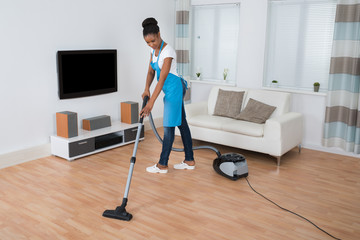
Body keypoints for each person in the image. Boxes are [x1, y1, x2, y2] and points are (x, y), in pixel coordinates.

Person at [140, 17, 195, 174]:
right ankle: (189, 160)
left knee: (168, 127)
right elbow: (151, 71)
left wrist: (150, 103)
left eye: (153, 41)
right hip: (168, 89)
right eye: (148, 43)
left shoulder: (168, 52)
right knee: (182, 124)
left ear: (159, 34)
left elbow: (162, 78)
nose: (151, 44)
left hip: (175, 89)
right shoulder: (153, 50)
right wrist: (146, 89)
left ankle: (162, 164)